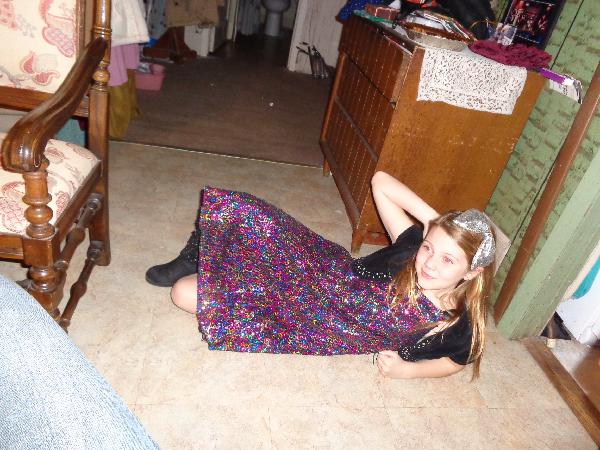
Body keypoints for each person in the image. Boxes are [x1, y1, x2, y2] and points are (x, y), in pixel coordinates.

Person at [146, 171, 496, 379]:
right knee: (242, 209)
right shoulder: (412, 249)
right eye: (429, 248)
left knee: (182, 293)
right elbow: (381, 181)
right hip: (319, 269)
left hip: (303, 320)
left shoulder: (457, 322)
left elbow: (456, 361)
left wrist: (409, 371)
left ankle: (212, 260)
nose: (430, 264)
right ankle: (198, 252)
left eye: (448, 259)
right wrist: (437, 226)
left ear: (472, 272)